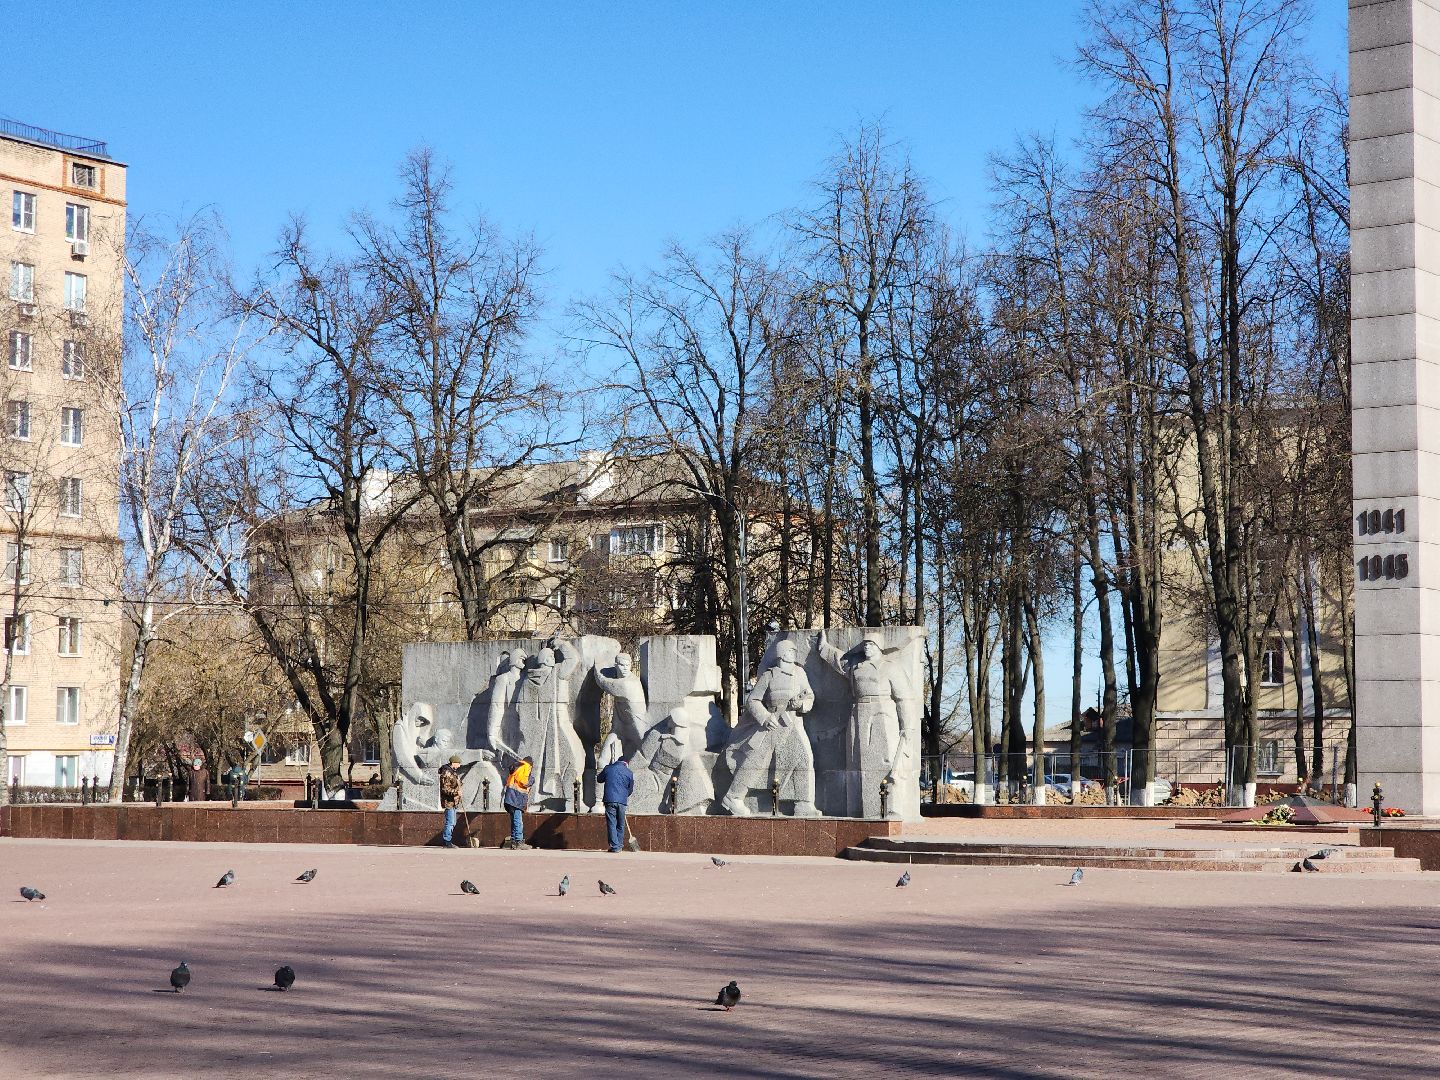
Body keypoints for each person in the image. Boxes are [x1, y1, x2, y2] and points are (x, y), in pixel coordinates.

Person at [597, 753, 634, 853]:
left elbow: (599, 779)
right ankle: (619, 845)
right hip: (622, 801)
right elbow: (630, 790)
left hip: (609, 800)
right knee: (621, 824)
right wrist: (623, 796)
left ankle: (615, 846)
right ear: (626, 763)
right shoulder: (629, 772)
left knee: (612, 823)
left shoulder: (608, 768)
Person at [502, 756, 533, 849]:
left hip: (510, 797)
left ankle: (514, 842)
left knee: (514, 821)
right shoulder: (525, 766)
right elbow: (524, 781)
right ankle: (519, 841)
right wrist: (532, 780)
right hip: (516, 798)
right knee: (518, 821)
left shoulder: (517, 766)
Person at [439, 755, 462, 848]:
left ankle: (447, 840)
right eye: (458, 764)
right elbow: (445, 789)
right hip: (449, 801)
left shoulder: (453, 772)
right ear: (454, 763)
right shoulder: (447, 773)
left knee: (453, 822)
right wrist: (456, 792)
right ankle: (447, 841)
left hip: (454, 801)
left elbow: (455, 784)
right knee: (450, 822)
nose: (459, 766)